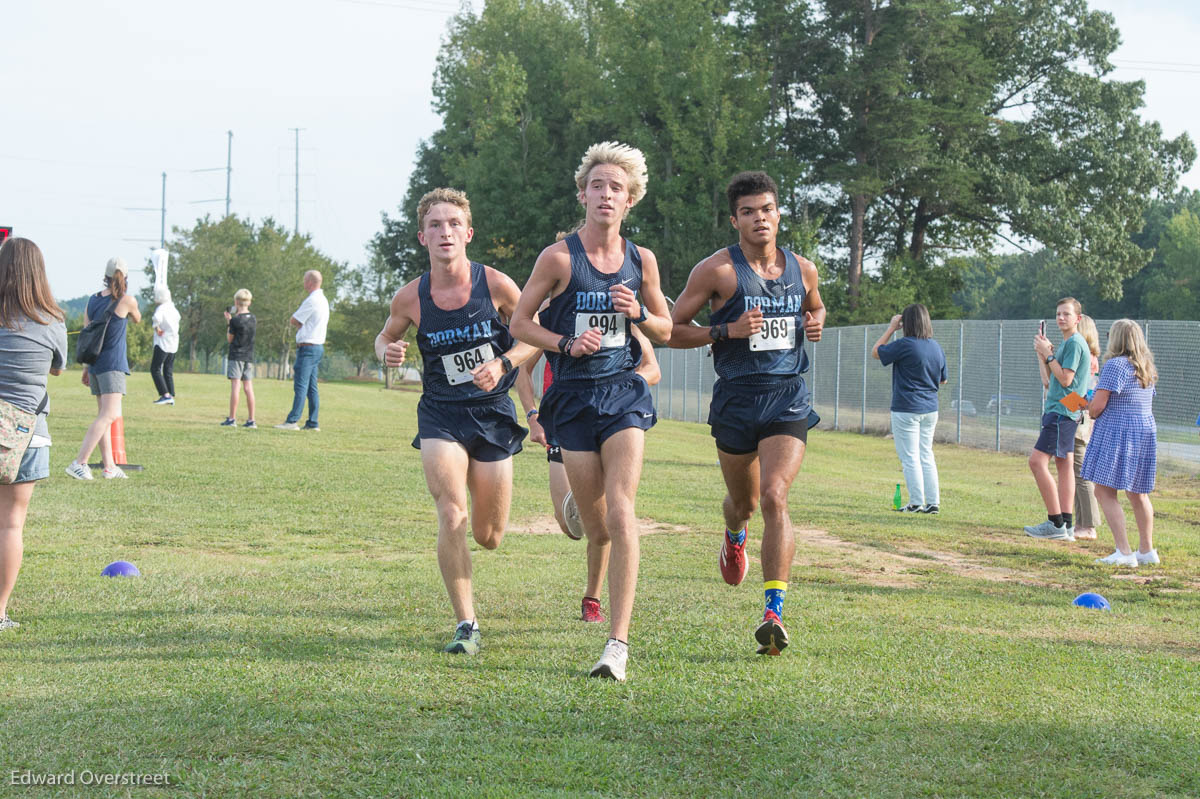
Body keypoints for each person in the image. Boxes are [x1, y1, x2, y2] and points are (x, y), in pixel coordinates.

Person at [510, 142, 672, 681]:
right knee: (593, 524)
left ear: (630, 201)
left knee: (623, 511)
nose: (607, 194)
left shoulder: (641, 259)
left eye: (617, 189)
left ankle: (617, 645)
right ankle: (582, 508)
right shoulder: (558, 258)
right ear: (583, 194)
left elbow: (666, 330)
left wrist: (640, 312)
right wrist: (562, 342)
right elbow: (519, 325)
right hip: (573, 398)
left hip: (623, 392)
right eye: (598, 185)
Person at [667, 170, 824, 657]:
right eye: (749, 212)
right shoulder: (717, 272)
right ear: (735, 219)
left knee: (776, 496)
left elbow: (816, 308)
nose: (760, 218)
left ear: (779, 214)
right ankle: (734, 534)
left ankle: (773, 611)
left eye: (767, 209)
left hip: (787, 396)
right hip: (736, 398)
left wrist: (815, 322)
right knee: (747, 504)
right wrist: (726, 331)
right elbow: (671, 330)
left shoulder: (804, 268)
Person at [375, 187, 537, 656]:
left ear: (468, 233)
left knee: (489, 535)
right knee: (451, 512)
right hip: (441, 415)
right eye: (434, 225)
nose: (444, 232)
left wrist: (505, 363)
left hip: (492, 415)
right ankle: (467, 624)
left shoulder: (499, 285)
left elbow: (533, 335)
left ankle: (477, 577)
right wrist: (386, 350)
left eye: (452, 224)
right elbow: (385, 336)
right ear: (422, 237)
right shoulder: (410, 297)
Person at [516, 323, 661, 624]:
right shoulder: (549, 313)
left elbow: (653, 369)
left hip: (613, 415)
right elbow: (522, 369)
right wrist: (532, 417)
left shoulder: (620, 305)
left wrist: (620, 385)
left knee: (612, 516)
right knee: (571, 524)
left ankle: (592, 598)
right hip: (565, 418)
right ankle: (585, 504)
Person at [0, 238, 67, 631]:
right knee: (11, 524)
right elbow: (57, 370)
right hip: (27, 433)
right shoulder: (51, 321)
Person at [1081, 320, 1160, 567]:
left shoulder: (1115, 365)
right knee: (1138, 493)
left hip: (1118, 432)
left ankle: (1124, 552)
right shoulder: (1145, 367)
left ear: (1116, 339)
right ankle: (1146, 551)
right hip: (1143, 432)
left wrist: (1086, 405)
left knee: (1103, 490)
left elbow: (1098, 407)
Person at [65, 257, 142, 480]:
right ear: (125, 277)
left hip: (96, 364)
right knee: (110, 415)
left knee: (104, 415)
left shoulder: (92, 300)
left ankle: (109, 466)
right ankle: (79, 462)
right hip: (113, 365)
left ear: (106, 277)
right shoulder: (127, 301)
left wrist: (86, 368)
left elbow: (88, 332)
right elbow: (137, 319)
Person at [1023, 297, 1089, 541]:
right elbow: (1049, 382)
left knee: (1037, 462)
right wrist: (1044, 356)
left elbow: (1066, 380)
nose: (1061, 318)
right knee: (1064, 466)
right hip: (1063, 410)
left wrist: (1049, 356)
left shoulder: (1074, 344)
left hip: (1063, 412)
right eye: (1058, 313)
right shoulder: (1065, 345)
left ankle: (1055, 523)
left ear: (1078, 319)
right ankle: (1067, 524)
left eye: (1067, 314)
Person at [871, 304, 947, 514]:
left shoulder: (905, 344)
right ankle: (932, 503)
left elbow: (876, 352)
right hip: (930, 408)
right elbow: (943, 380)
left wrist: (890, 328)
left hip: (907, 408)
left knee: (910, 457)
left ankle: (915, 503)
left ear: (906, 323)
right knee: (926, 454)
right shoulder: (936, 347)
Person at [275, 270, 329, 431]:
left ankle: (292, 421)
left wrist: (300, 325)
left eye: (305, 280)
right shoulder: (323, 300)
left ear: (310, 282)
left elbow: (294, 319)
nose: (303, 283)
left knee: (301, 385)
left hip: (308, 347)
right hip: (317, 347)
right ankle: (313, 422)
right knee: (312, 387)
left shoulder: (312, 300)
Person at [1071, 315, 1102, 540]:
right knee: (1075, 473)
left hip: (1080, 420)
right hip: (1077, 418)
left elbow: (1086, 397)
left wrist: (1063, 402)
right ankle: (1080, 522)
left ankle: (1089, 525)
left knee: (1082, 473)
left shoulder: (1089, 360)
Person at [222, 289, 257, 428]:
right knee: (248, 388)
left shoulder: (235, 320)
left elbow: (230, 339)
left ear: (236, 302)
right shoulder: (253, 318)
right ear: (249, 302)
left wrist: (229, 322)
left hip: (236, 355)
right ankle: (251, 420)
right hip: (248, 356)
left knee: (236, 387)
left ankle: (232, 418)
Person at [149, 284, 180, 405]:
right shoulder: (173, 308)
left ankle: (165, 394)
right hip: (173, 342)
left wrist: (157, 328)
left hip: (162, 342)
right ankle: (171, 394)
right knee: (168, 369)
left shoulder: (161, 308)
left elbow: (156, 319)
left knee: (155, 368)